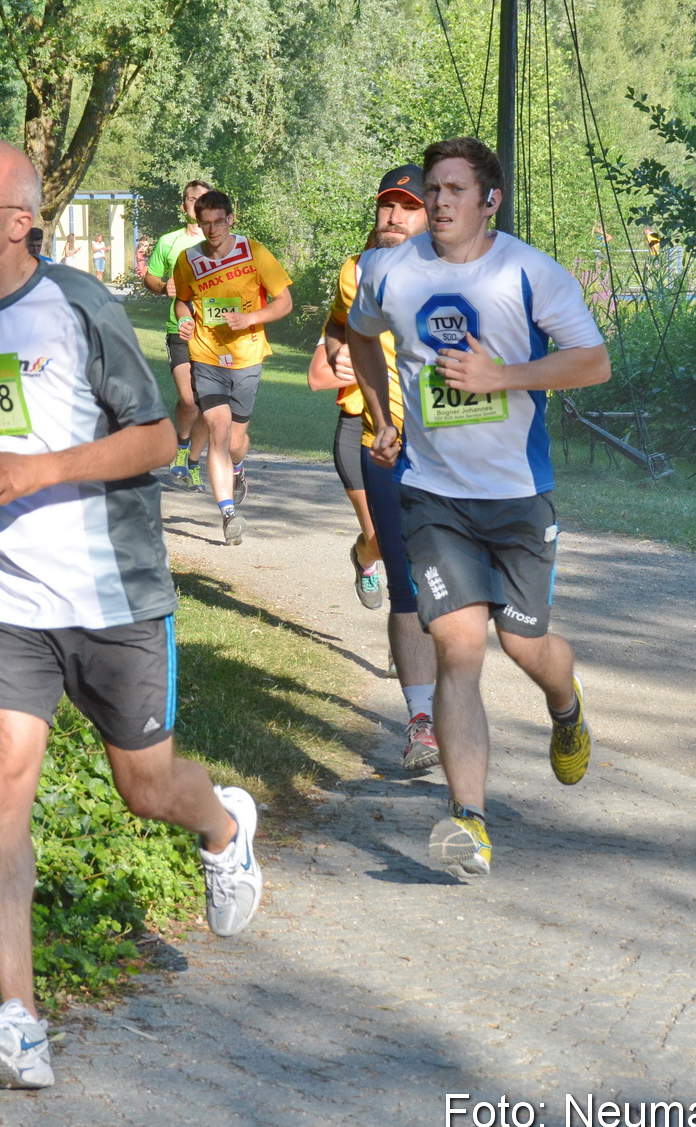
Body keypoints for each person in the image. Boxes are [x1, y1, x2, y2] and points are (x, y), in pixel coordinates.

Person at [0, 138, 262, 1090]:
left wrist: (45, 468)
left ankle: (223, 827)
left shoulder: (77, 307)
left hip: (112, 595)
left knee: (144, 787)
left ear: (20, 221)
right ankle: (19, 1021)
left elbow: (155, 439)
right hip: (2, 597)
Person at [346, 136, 610, 880]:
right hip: (434, 497)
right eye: (432, 188)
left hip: (518, 498)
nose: (438, 202)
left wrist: (503, 376)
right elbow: (362, 338)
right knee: (460, 649)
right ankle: (469, 819)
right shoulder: (389, 271)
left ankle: (567, 704)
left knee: (528, 648)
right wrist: (381, 413)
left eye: (455, 189)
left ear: (489, 200)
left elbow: (593, 361)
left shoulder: (527, 272)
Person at [309, 164, 441, 774]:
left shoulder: (466, 273)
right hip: (383, 445)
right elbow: (341, 329)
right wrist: (337, 356)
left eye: (406, 207)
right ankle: (422, 723)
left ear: (432, 214)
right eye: (386, 205)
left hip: (457, 456)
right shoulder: (356, 272)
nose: (392, 215)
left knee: (459, 591)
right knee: (407, 586)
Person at [171, 189, 293, 545]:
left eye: (218, 222)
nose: (212, 230)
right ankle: (228, 514)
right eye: (204, 223)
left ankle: (239, 468)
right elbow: (182, 302)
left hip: (247, 357)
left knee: (236, 441)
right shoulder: (187, 259)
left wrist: (252, 317)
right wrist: (185, 320)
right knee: (218, 432)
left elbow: (285, 301)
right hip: (206, 356)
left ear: (230, 219)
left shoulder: (253, 252)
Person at [144, 181, 212, 490]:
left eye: (199, 199)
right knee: (188, 398)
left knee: (210, 402)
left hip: (215, 333)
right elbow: (151, 278)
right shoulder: (169, 241)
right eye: (188, 199)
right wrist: (163, 287)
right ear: (183, 206)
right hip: (180, 328)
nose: (193, 204)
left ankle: (194, 464)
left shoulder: (222, 243)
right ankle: (181, 447)